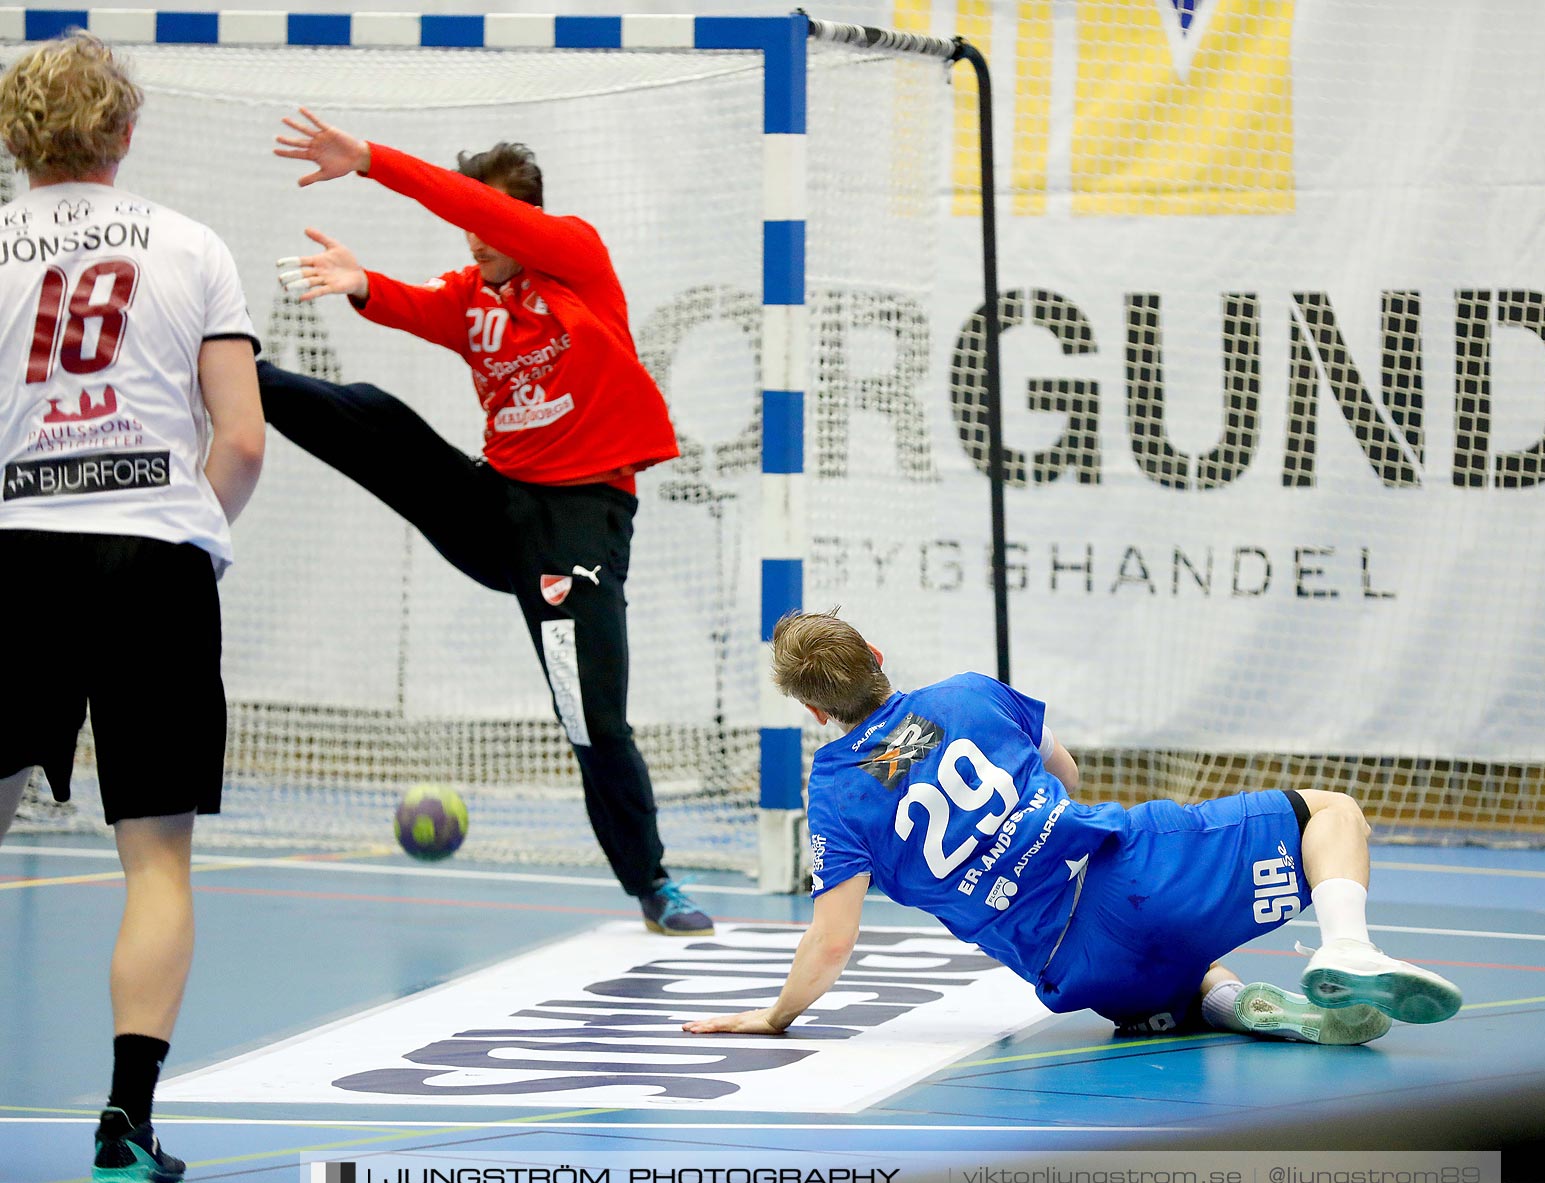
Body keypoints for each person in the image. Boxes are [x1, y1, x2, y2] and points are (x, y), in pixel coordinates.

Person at [260, 110, 709, 935]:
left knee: (589, 717)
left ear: (523, 222)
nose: (473, 238)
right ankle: (235, 371)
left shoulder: (574, 257)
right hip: (496, 509)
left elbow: (470, 208)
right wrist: (360, 283)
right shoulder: (471, 299)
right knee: (374, 415)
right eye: (466, 224)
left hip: (578, 525)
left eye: (485, 221)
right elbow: (413, 307)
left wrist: (368, 161)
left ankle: (653, 884)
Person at [684, 610, 1462, 1043]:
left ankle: (1238, 1006)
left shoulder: (834, 792)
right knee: (1332, 812)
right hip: (1126, 873)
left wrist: (776, 1016)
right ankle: (1347, 947)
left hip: (1076, 969)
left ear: (815, 711)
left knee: (1181, 975)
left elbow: (833, 940)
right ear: (879, 656)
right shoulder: (966, 695)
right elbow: (1067, 772)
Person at [0, 30, 265, 1183]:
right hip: (151, 563)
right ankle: (124, 1124)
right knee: (154, 861)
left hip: (10, 559)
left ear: (15, 136)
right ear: (126, 129)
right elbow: (242, 442)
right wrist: (186, 542)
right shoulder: (193, 246)